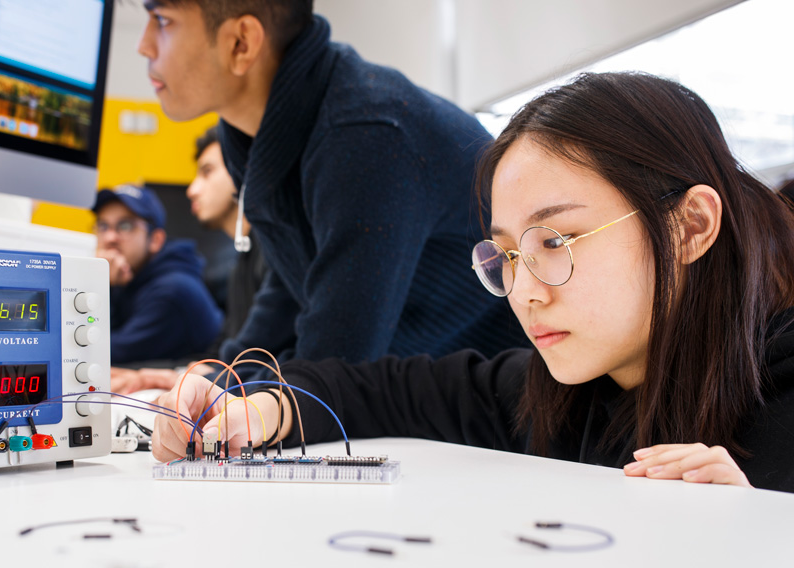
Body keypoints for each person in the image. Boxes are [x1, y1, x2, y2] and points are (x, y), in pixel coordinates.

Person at [151, 72, 794, 494]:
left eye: (557, 240)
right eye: (507, 255)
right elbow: (381, 391)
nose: (525, 291)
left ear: (690, 227)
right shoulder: (562, 393)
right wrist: (250, 408)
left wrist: (755, 529)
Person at [137, 1, 528, 380]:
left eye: (162, 19)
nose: (144, 45)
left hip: (506, 404)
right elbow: (297, 280)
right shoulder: (253, 131)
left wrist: (219, 392)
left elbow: (334, 365)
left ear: (241, 42)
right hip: (418, 392)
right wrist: (215, 377)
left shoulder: (365, 132)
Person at [108, 127, 296, 393]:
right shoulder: (241, 262)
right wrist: (158, 375)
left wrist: (167, 377)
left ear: (244, 170)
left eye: (207, 172)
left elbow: (256, 357)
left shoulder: (275, 251)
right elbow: (220, 357)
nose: (191, 190)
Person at [93, 185, 223, 364]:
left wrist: (99, 286)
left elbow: (103, 355)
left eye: (125, 225)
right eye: (103, 226)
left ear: (156, 240)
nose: (109, 238)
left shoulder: (172, 291)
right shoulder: (126, 277)